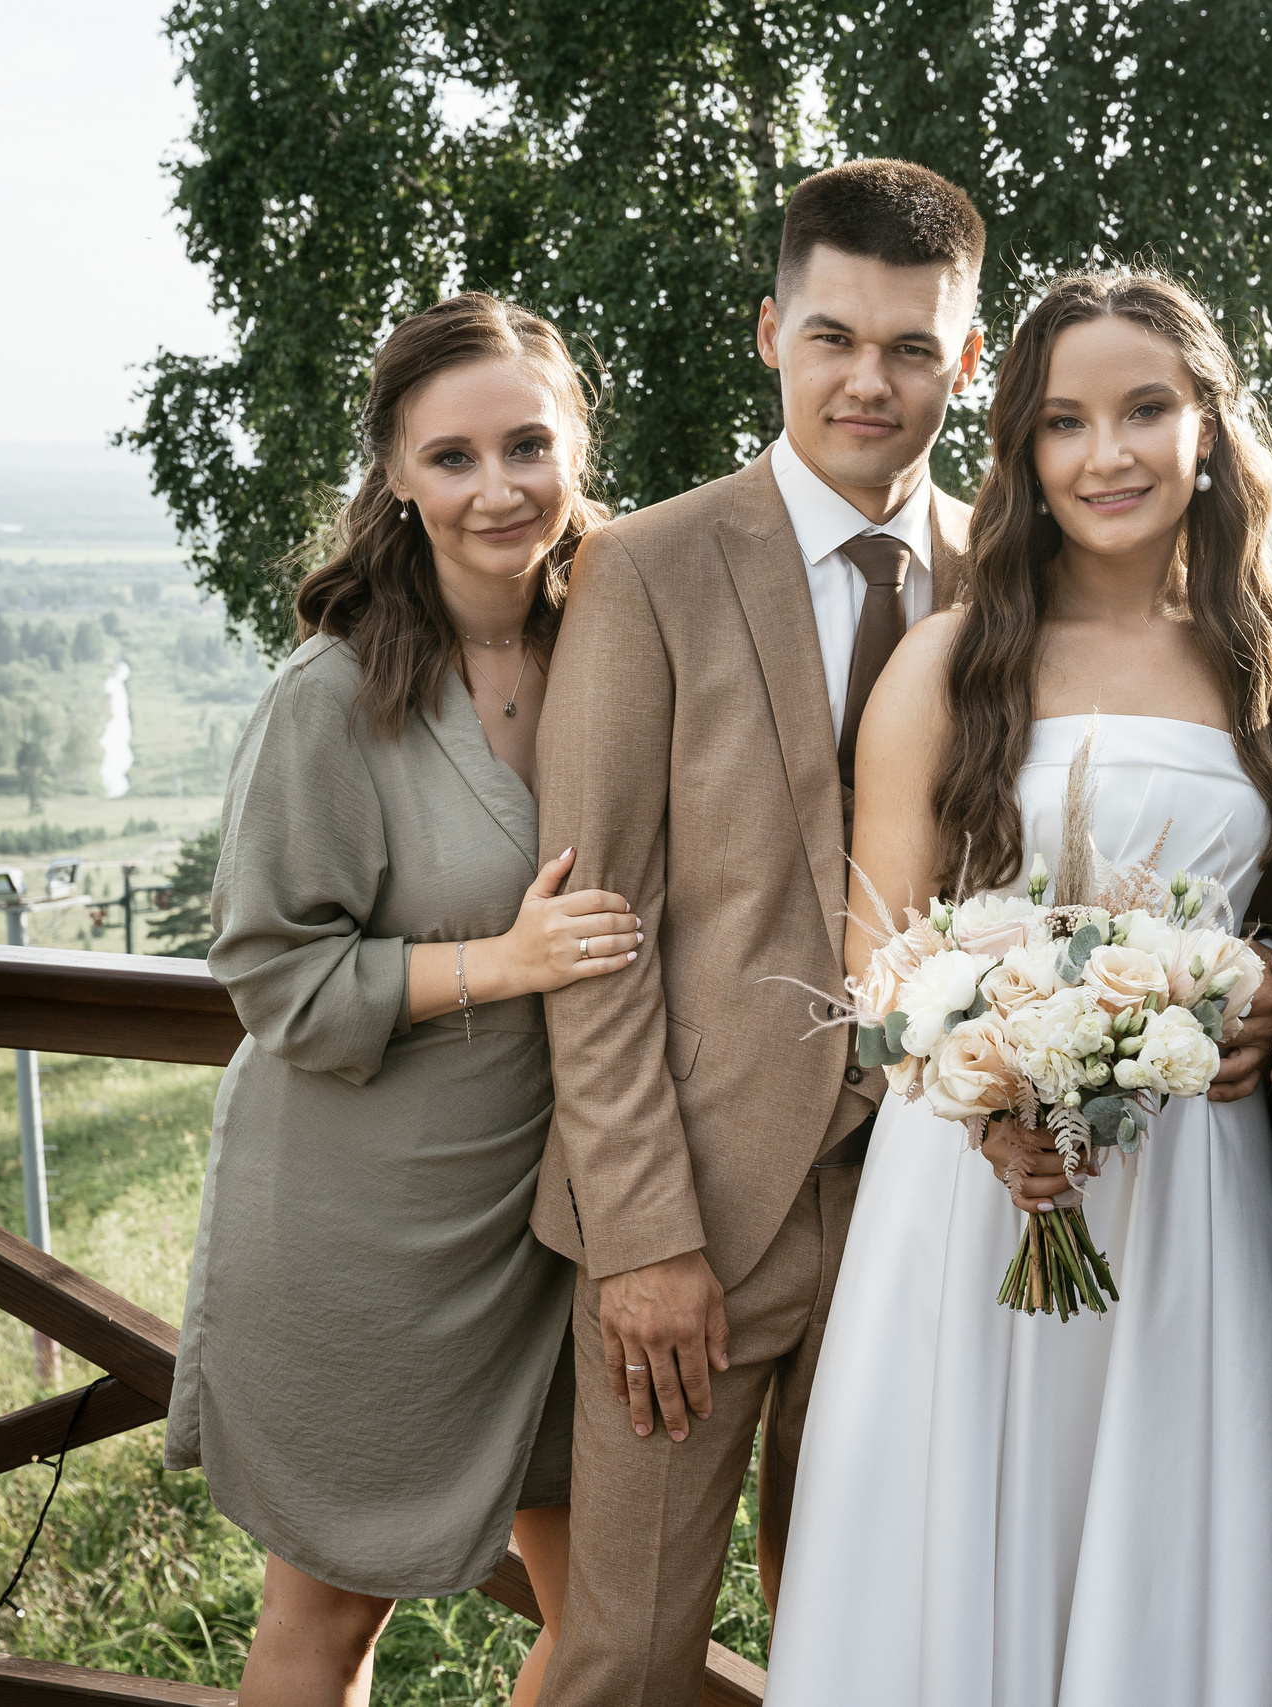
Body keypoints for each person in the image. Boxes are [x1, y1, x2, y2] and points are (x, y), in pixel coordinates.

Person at [765, 269, 1272, 1706]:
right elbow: (877, 945)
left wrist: (1263, 993)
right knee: (957, 1541)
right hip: (977, 1181)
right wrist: (987, 1097)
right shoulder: (953, 660)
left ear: (1210, 428)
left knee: (1155, 1541)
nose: (1108, 455)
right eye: (1065, 423)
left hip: (1192, 1183)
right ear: (1020, 450)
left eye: (1146, 411)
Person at [526, 159, 985, 1706]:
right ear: (771, 330)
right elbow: (596, 938)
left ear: (965, 361)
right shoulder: (647, 568)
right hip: (697, 1220)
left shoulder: (1014, 583)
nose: (873, 379)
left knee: (875, 1647)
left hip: (935, 1208)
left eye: (913, 347)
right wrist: (643, 1233)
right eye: (836, 336)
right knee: (627, 1654)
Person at [167, 293, 639, 1707]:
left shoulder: (624, 643)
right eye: (452, 457)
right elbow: (271, 972)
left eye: (527, 446)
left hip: (568, 1216)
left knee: (611, 1619)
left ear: (574, 448)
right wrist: (504, 962)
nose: (498, 489)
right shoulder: (334, 695)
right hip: (367, 1223)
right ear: (392, 475)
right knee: (332, 1619)